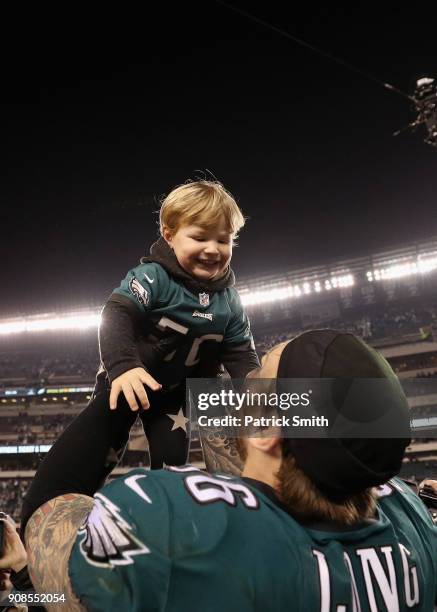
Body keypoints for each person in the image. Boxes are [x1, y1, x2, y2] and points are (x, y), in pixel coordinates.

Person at [21, 330, 437, 611]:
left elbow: (46, 516)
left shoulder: (170, 523)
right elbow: (263, 466)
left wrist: (115, 394)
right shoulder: (412, 517)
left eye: (257, 375)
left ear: (266, 430)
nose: (244, 381)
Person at [95, 179, 259, 468]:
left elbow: (241, 356)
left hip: (175, 397)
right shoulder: (154, 276)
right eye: (199, 238)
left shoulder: (229, 300)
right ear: (169, 236)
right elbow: (116, 313)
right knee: (94, 451)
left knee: (172, 464)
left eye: (223, 240)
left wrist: (260, 393)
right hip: (129, 376)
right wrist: (123, 365)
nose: (212, 249)